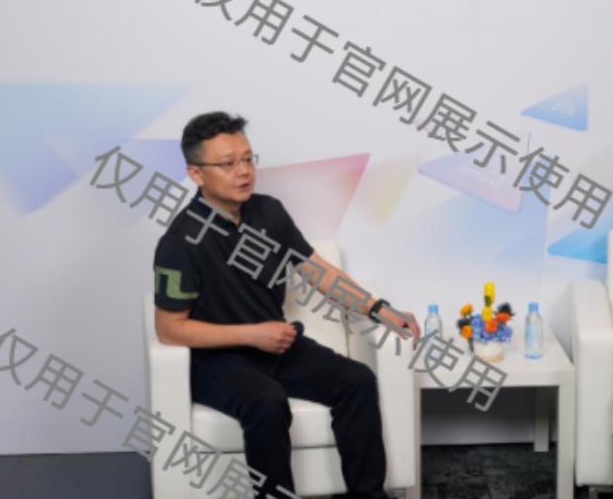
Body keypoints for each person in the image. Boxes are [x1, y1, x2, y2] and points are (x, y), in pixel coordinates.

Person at [152, 111, 420, 499]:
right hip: (217, 362)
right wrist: (251, 334)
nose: (244, 171)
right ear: (196, 173)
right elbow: (169, 329)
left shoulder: (268, 212)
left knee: (357, 380)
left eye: (248, 159)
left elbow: (318, 271)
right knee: (267, 401)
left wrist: (378, 308)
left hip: (277, 345)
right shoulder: (179, 241)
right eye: (228, 164)